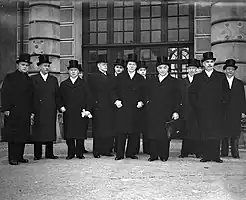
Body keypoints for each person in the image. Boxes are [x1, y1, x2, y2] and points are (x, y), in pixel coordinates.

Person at [189, 52, 230, 163]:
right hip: (203, 111)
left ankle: (216, 156)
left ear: (214, 63)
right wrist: (197, 105)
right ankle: (206, 155)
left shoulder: (221, 76)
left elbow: (227, 92)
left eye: (211, 62)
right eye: (207, 62)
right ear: (203, 64)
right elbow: (192, 93)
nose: (209, 64)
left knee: (216, 133)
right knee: (205, 133)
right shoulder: (198, 77)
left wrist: (223, 104)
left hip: (217, 111)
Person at [146, 56, 181, 162]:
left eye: (164, 67)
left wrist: (176, 111)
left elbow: (177, 98)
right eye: (160, 68)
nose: (162, 70)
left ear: (168, 69)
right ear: (157, 69)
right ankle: (153, 155)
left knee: (165, 134)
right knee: (153, 134)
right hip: (153, 111)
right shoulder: (151, 81)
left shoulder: (174, 81)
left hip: (167, 111)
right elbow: (146, 95)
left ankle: (164, 155)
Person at [1, 53, 33, 165]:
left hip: (25, 111)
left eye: (27, 65)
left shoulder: (29, 80)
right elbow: (4, 94)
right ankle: (12, 157)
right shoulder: (10, 77)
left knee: (23, 134)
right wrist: (5, 108)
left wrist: (31, 111)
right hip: (13, 111)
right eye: (23, 65)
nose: (25, 67)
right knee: (13, 135)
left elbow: (31, 97)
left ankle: (20, 156)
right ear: (18, 65)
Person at [112, 53, 145, 160]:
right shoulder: (120, 77)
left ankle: (131, 153)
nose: (131, 66)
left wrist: (142, 101)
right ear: (127, 65)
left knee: (134, 132)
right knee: (121, 131)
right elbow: (112, 90)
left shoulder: (140, 78)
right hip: (122, 107)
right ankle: (119, 154)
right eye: (130, 64)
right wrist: (116, 100)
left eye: (133, 65)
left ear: (136, 66)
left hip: (135, 108)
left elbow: (145, 93)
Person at [59, 60, 92, 159]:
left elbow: (89, 98)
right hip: (68, 112)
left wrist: (87, 110)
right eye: (71, 70)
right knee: (69, 133)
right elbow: (59, 97)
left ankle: (79, 152)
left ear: (78, 72)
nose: (73, 72)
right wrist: (61, 107)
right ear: (69, 71)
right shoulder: (64, 84)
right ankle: (70, 152)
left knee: (80, 133)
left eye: (75, 70)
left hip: (80, 112)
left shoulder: (84, 84)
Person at [31, 54, 60, 160]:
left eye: (48, 66)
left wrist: (58, 107)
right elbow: (31, 95)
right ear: (39, 67)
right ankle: (37, 154)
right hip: (38, 109)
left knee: (50, 130)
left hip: (50, 109)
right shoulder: (33, 79)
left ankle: (49, 153)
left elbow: (57, 95)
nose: (46, 68)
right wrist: (32, 110)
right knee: (38, 131)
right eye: (44, 66)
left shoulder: (53, 80)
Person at [88, 54, 115, 158]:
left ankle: (107, 150)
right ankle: (97, 151)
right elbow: (90, 92)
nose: (105, 66)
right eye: (103, 64)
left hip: (109, 107)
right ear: (98, 65)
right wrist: (93, 105)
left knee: (108, 130)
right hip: (98, 107)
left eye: (106, 64)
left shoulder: (110, 76)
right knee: (98, 130)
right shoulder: (93, 76)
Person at [221, 59, 246, 158]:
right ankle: (224, 152)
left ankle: (235, 153)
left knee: (235, 133)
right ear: (225, 70)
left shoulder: (239, 83)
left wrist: (243, 111)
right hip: (224, 112)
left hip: (235, 111)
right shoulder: (221, 82)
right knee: (224, 132)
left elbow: (242, 98)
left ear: (234, 71)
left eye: (232, 69)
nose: (230, 71)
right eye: (228, 69)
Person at [179, 59, 202, 158]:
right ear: (187, 69)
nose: (192, 70)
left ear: (197, 70)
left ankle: (197, 151)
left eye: (194, 68)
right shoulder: (182, 81)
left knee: (196, 131)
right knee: (185, 131)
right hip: (185, 109)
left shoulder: (200, 81)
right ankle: (185, 152)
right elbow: (179, 96)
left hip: (197, 109)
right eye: (190, 68)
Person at [110, 58, 125, 153]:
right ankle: (111, 146)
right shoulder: (110, 77)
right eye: (117, 67)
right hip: (111, 105)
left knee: (120, 128)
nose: (118, 69)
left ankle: (118, 147)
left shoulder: (125, 78)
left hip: (122, 106)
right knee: (111, 126)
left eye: (120, 67)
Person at [136, 61, 149, 154]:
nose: (143, 72)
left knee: (147, 129)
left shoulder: (150, 80)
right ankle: (135, 149)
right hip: (137, 107)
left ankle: (147, 148)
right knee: (136, 130)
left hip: (147, 109)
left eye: (144, 70)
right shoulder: (136, 80)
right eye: (141, 70)